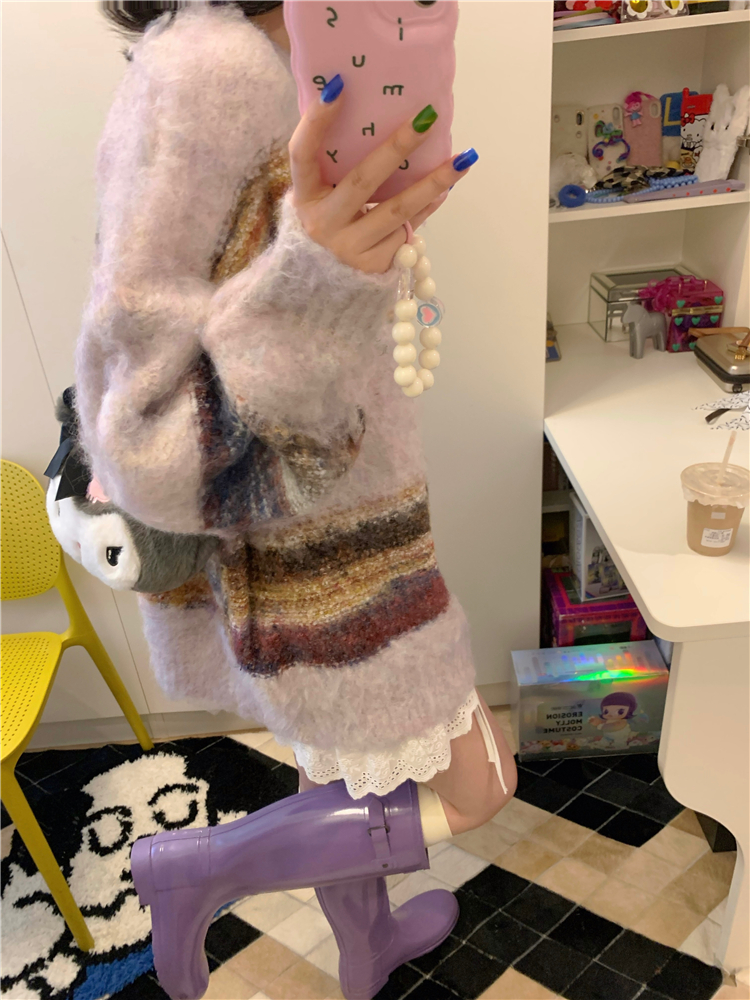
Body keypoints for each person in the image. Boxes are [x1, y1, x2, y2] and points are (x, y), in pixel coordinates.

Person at [66, 2, 519, 997]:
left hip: (355, 523)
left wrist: (350, 241)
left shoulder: (288, 50)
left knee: (341, 778)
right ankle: (196, 871)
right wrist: (316, 281)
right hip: (312, 561)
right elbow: (141, 433)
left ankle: (367, 943)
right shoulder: (208, 69)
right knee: (481, 783)